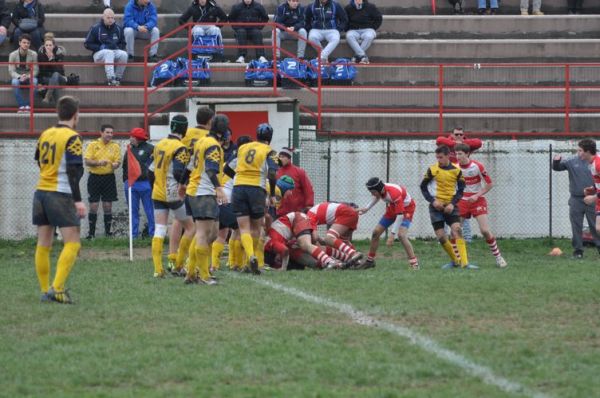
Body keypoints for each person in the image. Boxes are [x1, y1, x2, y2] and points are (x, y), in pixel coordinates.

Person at [33, 95, 86, 304]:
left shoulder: (45, 133)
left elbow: (38, 160)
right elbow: (73, 171)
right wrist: (78, 200)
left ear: (58, 113)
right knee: (72, 243)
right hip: (60, 193)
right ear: (76, 115)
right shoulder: (73, 137)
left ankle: (46, 290)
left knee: (43, 243)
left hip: (40, 192)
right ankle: (58, 288)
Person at [179, 114, 229, 284]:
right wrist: (219, 188)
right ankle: (202, 275)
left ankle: (191, 271)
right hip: (203, 192)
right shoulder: (214, 146)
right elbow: (210, 170)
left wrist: (182, 183)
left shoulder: (200, 141)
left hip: (198, 191)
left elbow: (190, 165)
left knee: (213, 233)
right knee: (203, 234)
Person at [224, 123, 279, 274]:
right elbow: (273, 174)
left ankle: (250, 257)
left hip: (239, 188)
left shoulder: (243, 148)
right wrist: (272, 194)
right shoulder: (270, 151)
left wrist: (239, 178)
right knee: (256, 227)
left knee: (243, 228)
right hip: (256, 189)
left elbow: (226, 168)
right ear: (270, 137)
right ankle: (251, 260)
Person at [148, 114, 195, 278]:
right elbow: (177, 172)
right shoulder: (180, 147)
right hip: (173, 193)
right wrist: (184, 185)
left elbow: (150, 170)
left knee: (160, 229)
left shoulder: (159, 144)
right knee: (191, 228)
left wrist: (154, 186)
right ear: (185, 129)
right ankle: (179, 264)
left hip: (158, 191)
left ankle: (157, 269)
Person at [420, 145, 474, 269]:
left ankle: (465, 264)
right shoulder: (432, 169)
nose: (439, 160)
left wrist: (452, 204)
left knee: (457, 230)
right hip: (435, 207)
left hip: (451, 206)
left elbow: (461, 190)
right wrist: (433, 201)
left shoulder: (456, 170)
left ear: (448, 156)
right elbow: (423, 187)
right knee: (441, 237)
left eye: (441, 157)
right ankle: (455, 260)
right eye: (437, 157)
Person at [455, 144, 507, 267]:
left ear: (467, 154)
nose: (457, 156)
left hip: (477, 200)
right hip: (462, 201)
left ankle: (498, 257)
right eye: (456, 154)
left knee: (484, 230)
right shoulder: (455, 168)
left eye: (460, 154)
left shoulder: (477, 166)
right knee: (456, 230)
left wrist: (476, 195)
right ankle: (460, 260)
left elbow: (489, 184)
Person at [553, 142, 600, 258]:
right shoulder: (572, 161)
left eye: (580, 150)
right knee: (576, 226)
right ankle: (578, 251)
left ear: (587, 152)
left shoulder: (595, 163)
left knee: (596, 227)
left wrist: (594, 195)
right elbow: (557, 168)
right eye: (577, 150)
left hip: (594, 199)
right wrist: (556, 161)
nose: (578, 153)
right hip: (576, 199)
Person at [358, 178, 418, 269]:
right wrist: (367, 208)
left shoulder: (394, 193)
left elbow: (400, 215)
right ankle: (370, 261)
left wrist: (392, 235)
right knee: (376, 233)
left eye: (373, 192)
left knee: (401, 235)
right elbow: (377, 196)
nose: (371, 194)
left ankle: (414, 264)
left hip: (407, 209)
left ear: (379, 189)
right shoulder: (381, 189)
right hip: (393, 208)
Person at [267, 210, 344, 270]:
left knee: (305, 245)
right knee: (311, 245)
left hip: (297, 220)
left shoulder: (269, 242)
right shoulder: (271, 237)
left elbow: (285, 250)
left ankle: (329, 261)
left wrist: (283, 268)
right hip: (298, 221)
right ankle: (343, 259)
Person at [84, 124, 121, 239]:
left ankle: (108, 234)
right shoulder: (93, 144)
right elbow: (87, 161)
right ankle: (91, 234)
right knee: (94, 206)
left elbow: (118, 162)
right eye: (107, 132)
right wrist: (98, 163)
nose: (110, 135)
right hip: (95, 177)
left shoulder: (115, 146)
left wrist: (116, 165)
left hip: (109, 178)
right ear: (101, 133)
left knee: (107, 206)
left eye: (111, 133)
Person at [307, 201, 363, 266]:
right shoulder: (314, 210)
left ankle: (353, 254)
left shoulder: (308, 216)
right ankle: (358, 262)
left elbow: (315, 238)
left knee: (329, 238)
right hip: (350, 213)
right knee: (344, 241)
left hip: (346, 213)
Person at [122, 127, 155, 239]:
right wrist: (126, 182)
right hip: (131, 184)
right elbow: (124, 166)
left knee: (150, 210)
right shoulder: (129, 150)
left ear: (137, 138)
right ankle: (133, 236)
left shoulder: (151, 149)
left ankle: (153, 235)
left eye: (132, 136)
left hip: (146, 184)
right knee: (133, 211)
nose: (130, 138)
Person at [84, 7, 128, 86]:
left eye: (112, 18)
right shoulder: (95, 28)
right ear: (103, 17)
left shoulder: (118, 28)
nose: (110, 20)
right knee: (109, 52)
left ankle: (118, 78)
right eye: (108, 17)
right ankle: (111, 79)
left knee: (124, 54)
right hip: (99, 54)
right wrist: (100, 47)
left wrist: (117, 47)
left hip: (113, 51)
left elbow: (123, 43)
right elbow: (87, 44)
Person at [276, 147, 314, 216]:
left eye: (283, 157)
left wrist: (309, 205)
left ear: (289, 158)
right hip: (280, 211)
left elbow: (308, 189)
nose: (280, 159)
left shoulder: (299, 172)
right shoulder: (276, 172)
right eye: (280, 157)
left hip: (297, 212)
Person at [344, 0, 381, 64]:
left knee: (369, 36)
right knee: (349, 36)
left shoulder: (370, 6)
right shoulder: (348, 8)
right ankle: (362, 57)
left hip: (368, 29)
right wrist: (347, 28)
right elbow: (345, 19)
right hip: (353, 30)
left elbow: (379, 18)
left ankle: (356, 56)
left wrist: (373, 27)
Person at [8, 33, 38, 113]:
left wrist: (28, 76)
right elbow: (11, 70)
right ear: (19, 43)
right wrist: (19, 77)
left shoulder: (33, 54)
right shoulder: (12, 55)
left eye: (28, 43)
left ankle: (28, 106)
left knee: (35, 82)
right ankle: (21, 106)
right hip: (18, 75)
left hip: (28, 75)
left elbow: (35, 70)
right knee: (14, 82)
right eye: (24, 42)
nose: (26, 44)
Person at [37, 32, 66, 105]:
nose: (48, 47)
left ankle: (47, 96)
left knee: (55, 74)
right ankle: (59, 107)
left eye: (50, 45)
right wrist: (40, 83)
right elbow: (41, 71)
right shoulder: (40, 55)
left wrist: (51, 59)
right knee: (53, 83)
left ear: (53, 46)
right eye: (46, 45)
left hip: (60, 78)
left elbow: (60, 71)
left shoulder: (59, 53)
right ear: (44, 46)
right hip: (48, 79)